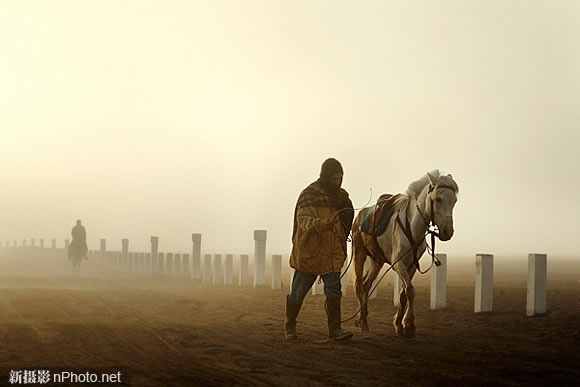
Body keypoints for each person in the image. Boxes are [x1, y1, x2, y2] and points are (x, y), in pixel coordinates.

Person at [285, 158, 355, 341]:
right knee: (298, 292)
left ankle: (335, 330)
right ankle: (290, 325)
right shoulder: (309, 195)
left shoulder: (341, 197)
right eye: (334, 178)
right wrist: (323, 224)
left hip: (332, 253)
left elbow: (345, 220)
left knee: (334, 290)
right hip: (311, 253)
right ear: (325, 176)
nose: (337, 182)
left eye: (340, 178)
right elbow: (304, 221)